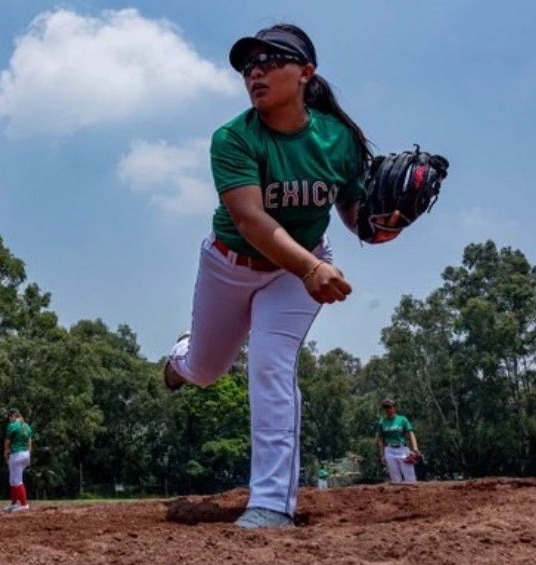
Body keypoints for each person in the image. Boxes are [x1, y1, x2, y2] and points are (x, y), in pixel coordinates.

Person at [162, 23, 371, 529]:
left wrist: (383, 222)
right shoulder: (233, 138)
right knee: (207, 371)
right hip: (231, 265)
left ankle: (272, 505)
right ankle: (181, 356)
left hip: (292, 276)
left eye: (270, 60)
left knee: (271, 364)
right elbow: (251, 221)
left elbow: (354, 212)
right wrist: (312, 267)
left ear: (306, 72)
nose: (255, 71)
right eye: (247, 65)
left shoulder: (338, 139)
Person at [376, 398, 420, 484]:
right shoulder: (382, 422)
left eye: (389, 407)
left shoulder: (402, 419)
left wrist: (415, 449)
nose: (388, 409)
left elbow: (410, 433)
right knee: (395, 480)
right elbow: (380, 439)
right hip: (389, 450)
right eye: (385, 407)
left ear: (394, 407)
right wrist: (382, 455)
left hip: (402, 449)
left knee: (410, 480)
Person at [3, 407, 33, 512]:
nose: (9, 419)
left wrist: (5, 454)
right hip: (25, 454)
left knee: (17, 481)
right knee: (12, 480)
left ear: (12, 416)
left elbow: (7, 442)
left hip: (16, 455)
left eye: (9, 417)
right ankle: (14, 503)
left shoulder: (12, 426)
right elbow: (30, 443)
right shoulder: (27, 426)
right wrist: (29, 456)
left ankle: (24, 504)